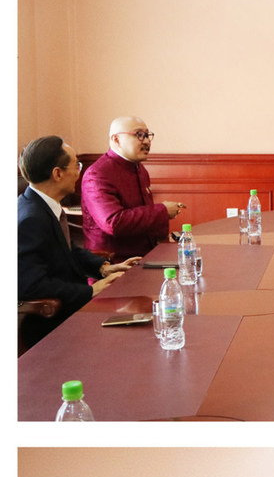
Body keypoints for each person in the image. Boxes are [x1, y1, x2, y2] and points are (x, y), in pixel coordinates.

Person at [17, 136, 139, 342]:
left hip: (71, 307)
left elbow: (68, 250)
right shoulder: (30, 219)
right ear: (57, 173)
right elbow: (31, 285)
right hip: (53, 325)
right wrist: (90, 291)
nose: (79, 172)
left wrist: (102, 268)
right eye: (76, 165)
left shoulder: (42, 205)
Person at [80, 116, 184, 259]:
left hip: (145, 256)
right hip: (113, 263)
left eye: (147, 135)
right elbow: (113, 222)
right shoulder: (97, 174)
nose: (147, 141)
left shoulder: (140, 169)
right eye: (139, 135)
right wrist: (162, 211)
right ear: (116, 139)